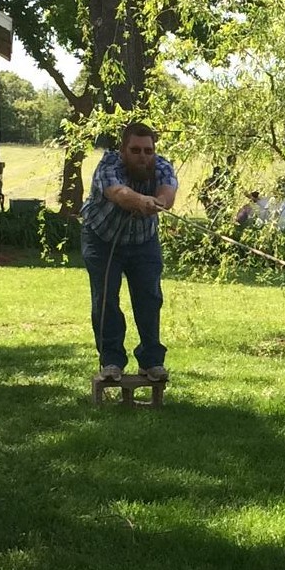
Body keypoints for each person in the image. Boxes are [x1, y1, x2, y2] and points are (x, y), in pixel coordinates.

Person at [80, 123, 177, 382]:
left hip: (144, 241)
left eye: (148, 150)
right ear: (123, 151)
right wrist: (140, 200)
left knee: (150, 298)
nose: (143, 156)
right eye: (135, 150)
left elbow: (168, 193)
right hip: (102, 239)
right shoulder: (108, 166)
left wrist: (160, 202)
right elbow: (119, 193)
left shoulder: (163, 167)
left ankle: (151, 361)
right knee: (106, 299)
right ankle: (111, 361)